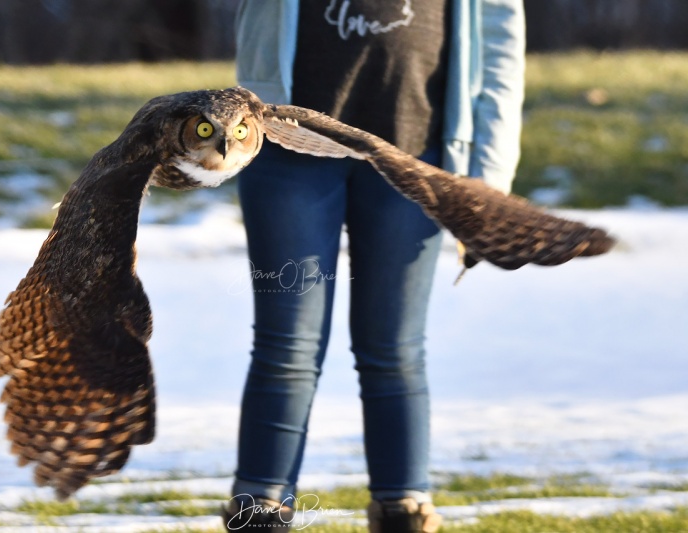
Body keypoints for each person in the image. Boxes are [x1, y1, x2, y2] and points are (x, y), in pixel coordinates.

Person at [225, 1, 526, 531]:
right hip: (286, 150)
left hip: (416, 153)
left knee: (395, 348)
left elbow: (500, 40)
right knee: (287, 345)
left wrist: (489, 176)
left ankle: (403, 508)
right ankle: (259, 510)